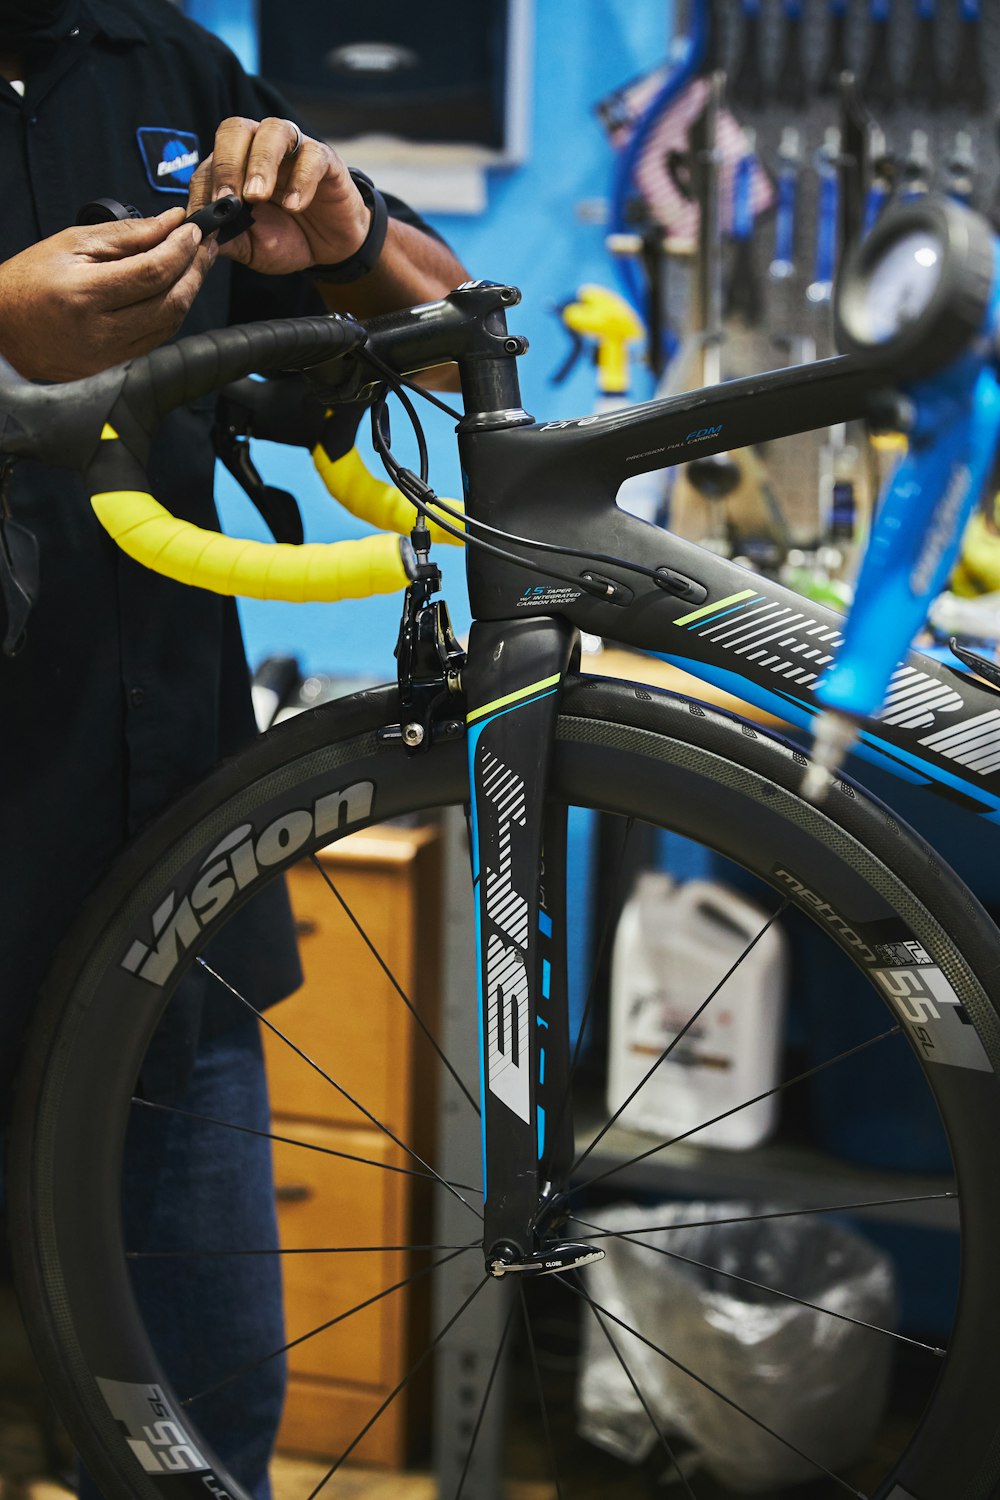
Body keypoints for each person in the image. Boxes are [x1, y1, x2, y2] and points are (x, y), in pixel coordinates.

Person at [0, 2, 469, 1496]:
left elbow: (456, 334)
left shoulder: (168, 64)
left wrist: (337, 222)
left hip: (172, 918)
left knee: (206, 1452)